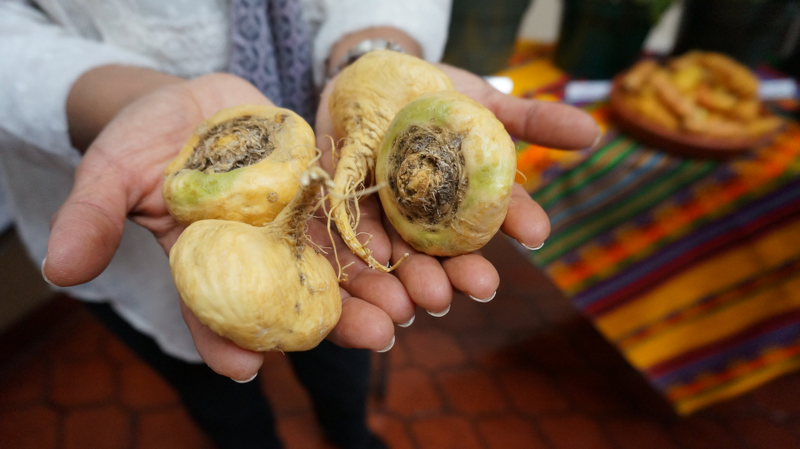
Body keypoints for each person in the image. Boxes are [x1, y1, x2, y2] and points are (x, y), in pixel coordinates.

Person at [0, 0, 600, 448]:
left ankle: (349, 434)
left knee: (344, 356)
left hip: (325, 209)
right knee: (218, 391)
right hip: (146, 187)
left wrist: (371, 53)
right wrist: (112, 98)